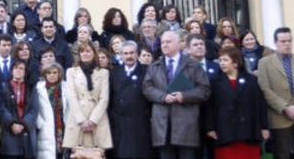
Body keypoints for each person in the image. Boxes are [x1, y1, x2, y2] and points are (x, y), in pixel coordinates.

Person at [142, 30, 211, 159]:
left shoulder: (193, 65)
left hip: (186, 125)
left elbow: (204, 90)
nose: (164, 45)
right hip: (162, 127)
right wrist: (162, 97)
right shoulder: (154, 66)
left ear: (179, 44)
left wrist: (184, 96)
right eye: (162, 42)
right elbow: (146, 88)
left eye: (168, 42)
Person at [256, 27, 294, 159]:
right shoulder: (264, 63)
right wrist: (285, 107)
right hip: (280, 118)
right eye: (283, 41)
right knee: (282, 155)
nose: (287, 44)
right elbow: (265, 89)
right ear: (275, 42)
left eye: (289, 41)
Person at [205, 46, 269, 159]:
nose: (222, 63)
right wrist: (209, 128)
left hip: (248, 132)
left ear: (235, 63)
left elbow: (260, 104)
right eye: (220, 60)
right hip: (225, 132)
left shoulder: (251, 80)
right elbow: (209, 106)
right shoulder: (214, 82)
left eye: (225, 60)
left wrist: (264, 127)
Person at [63, 42, 112, 152]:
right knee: (78, 154)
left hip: (97, 118)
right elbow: (71, 96)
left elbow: (104, 98)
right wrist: (82, 120)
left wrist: (93, 120)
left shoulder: (103, 72)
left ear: (94, 53)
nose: (85, 54)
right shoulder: (71, 72)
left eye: (88, 51)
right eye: (82, 51)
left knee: (97, 154)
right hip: (77, 118)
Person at [110, 40, 153, 159]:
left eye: (132, 53)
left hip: (140, 122)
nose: (129, 56)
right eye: (125, 53)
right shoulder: (114, 73)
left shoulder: (147, 71)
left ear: (137, 54)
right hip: (120, 123)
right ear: (121, 55)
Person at [0, 60, 38, 159]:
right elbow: (1, 108)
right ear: (11, 70)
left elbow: (34, 109)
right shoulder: (3, 87)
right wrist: (11, 123)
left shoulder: (31, 88)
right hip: (9, 132)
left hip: (26, 132)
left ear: (25, 72)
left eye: (21, 68)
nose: (18, 70)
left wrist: (23, 124)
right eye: (16, 68)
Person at [35, 63, 67, 159]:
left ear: (59, 74)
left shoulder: (66, 87)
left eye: (54, 72)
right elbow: (35, 107)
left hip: (63, 126)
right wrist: (40, 123)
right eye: (49, 73)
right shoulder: (38, 88)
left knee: (63, 154)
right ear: (45, 75)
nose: (52, 75)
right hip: (46, 127)